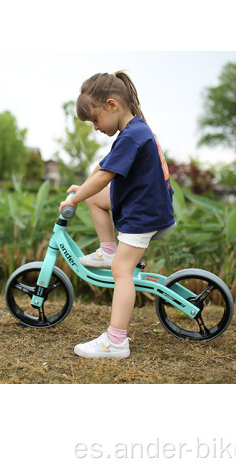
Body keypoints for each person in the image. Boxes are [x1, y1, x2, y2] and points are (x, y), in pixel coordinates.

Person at [59, 71, 175, 358]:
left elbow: (104, 177)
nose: (95, 127)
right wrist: (83, 190)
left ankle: (116, 341)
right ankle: (108, 249)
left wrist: (75, 197)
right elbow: (100, 169)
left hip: (144, 213)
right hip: (143, 204)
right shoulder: (134, 130)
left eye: (95, 120)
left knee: (121, 272)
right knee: (95, 200)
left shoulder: (133, 135)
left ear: (112, 105)